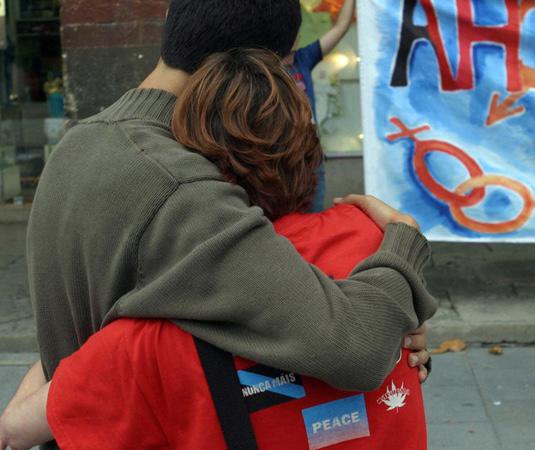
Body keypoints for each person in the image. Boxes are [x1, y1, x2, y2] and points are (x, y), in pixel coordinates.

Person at [15, 2, 435, 447]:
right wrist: (404, 244)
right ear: (255, 68)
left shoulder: (79, 144)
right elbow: (356, 346)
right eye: (286, 67)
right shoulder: (183, 188)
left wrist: (396, 324)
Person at [285, 0, 357, 212]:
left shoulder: (303, 58)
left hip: (311, 159)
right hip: (282, 160)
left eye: (295, 29)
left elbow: (341, 27)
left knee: (313, 216)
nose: (294, 35)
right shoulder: (264, 65)